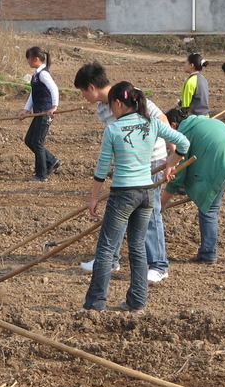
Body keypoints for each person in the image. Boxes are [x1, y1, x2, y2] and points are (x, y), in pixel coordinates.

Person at [82, 82, 189, 314]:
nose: (111, 110)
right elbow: (183, 142)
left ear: (119, 104)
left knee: (106, 248)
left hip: (123, 194)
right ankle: (137, 303)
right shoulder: (151, 123)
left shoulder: (113, 129)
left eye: (111, 106)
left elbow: (102, 169)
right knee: (138, 247)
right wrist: (171, 163)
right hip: (147, 192)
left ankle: (95, 304)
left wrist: (93, 198)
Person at [74, 61, 172, 282]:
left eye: (82, 92)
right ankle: (110, 260)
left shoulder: (129, 95)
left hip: (151, 162)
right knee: (119, 212)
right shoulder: (102, 109)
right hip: (127, 167)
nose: (83, 97)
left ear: (91, 87)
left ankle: (159, 265)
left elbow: (162, 120)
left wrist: (170, 158)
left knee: (150, 213)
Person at [163, 109, 225, 266]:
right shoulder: (207, 121)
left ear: (174, 125)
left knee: (208, 208)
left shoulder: (183, 134)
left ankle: (208, 253)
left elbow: (178, 175)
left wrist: (161, 203)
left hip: (223, 163)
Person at [17, 46, 61, 182]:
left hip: (45, 113)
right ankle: (52, 160)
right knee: (29, 140)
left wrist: (54, 106)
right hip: (38, 112)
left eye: (28, 59)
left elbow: (54, 89)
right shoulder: (37, 74)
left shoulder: (43, 74)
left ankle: (42, 174)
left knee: (37, 142)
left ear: (35, 59)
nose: (28, 61)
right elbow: (33, 94)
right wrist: (26, 109)